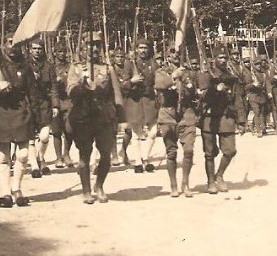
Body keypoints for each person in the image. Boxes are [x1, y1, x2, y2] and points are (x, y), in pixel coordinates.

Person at [67, 33, 121, 204]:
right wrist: (82, 85)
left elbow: (115, 93)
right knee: (85, 155)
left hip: (103, 116)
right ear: (83, 47)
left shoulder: (107, 68)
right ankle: (86, 191)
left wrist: (120, 117)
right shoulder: (76, 68)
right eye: (90, 44)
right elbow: (70, 90)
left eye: (97, 45)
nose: (94, 48)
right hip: (83, 117)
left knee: (105, 154)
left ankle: (99, 186)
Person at [0, 42, 34, 208]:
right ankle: (6, 192)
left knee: (24, 154)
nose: (13, 47)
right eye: (9, 43)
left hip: (21, 111)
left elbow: (33, 93)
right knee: (2, 157)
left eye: (16, 43)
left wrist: (38, 119)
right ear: (3, 46)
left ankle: (17, 188)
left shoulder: (26, 67)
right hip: (1, 112)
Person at [197, 49, 246, 194]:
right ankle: (211, 181)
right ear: (214, 59)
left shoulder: (231, 77)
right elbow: (202, 96)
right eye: (220, 57)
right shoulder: (206, 75)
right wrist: (214, 89)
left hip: (226, 116)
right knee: (210, 153)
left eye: (225, 57)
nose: (223, 60)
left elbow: (238, 99)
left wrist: (242, 121)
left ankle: (219, 175)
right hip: (210, 118)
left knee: (230, 150)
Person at [154, 51, 199, 197]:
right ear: (168, 56)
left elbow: (196, 92)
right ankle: (173, 185)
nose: (175, 56)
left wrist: (189, 86)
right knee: (171, 152)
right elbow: (159, 85)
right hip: (168, 114)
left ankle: (185, 183)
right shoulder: (161, 71)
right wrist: (174, 76)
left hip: (186, 114)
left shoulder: (189, 72)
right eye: (172, 54)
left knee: (189, 150)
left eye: (178, 54)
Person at [120, 41, 160, 173]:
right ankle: (138, 162)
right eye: (140, 48)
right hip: (135, 100)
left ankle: (145, 157)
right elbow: (123, 85)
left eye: (145, 48)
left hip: (149, 100)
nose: (143, 50)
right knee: (136, 134)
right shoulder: (130, 63)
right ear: (136, 49)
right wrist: (132, 81)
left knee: (153, 132)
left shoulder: (153, 64)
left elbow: (157, 81)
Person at [24, 38, 57, 178]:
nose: (37, 51)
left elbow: (54, 88)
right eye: (34, 48)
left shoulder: (48, 66)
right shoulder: (24, 65)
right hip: (29, 104)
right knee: (30, 138)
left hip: (44, 104)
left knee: (44, 136)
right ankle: (34, 165)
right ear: (30, 50)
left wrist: (55, 105)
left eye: (39, 49)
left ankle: (41, 157)